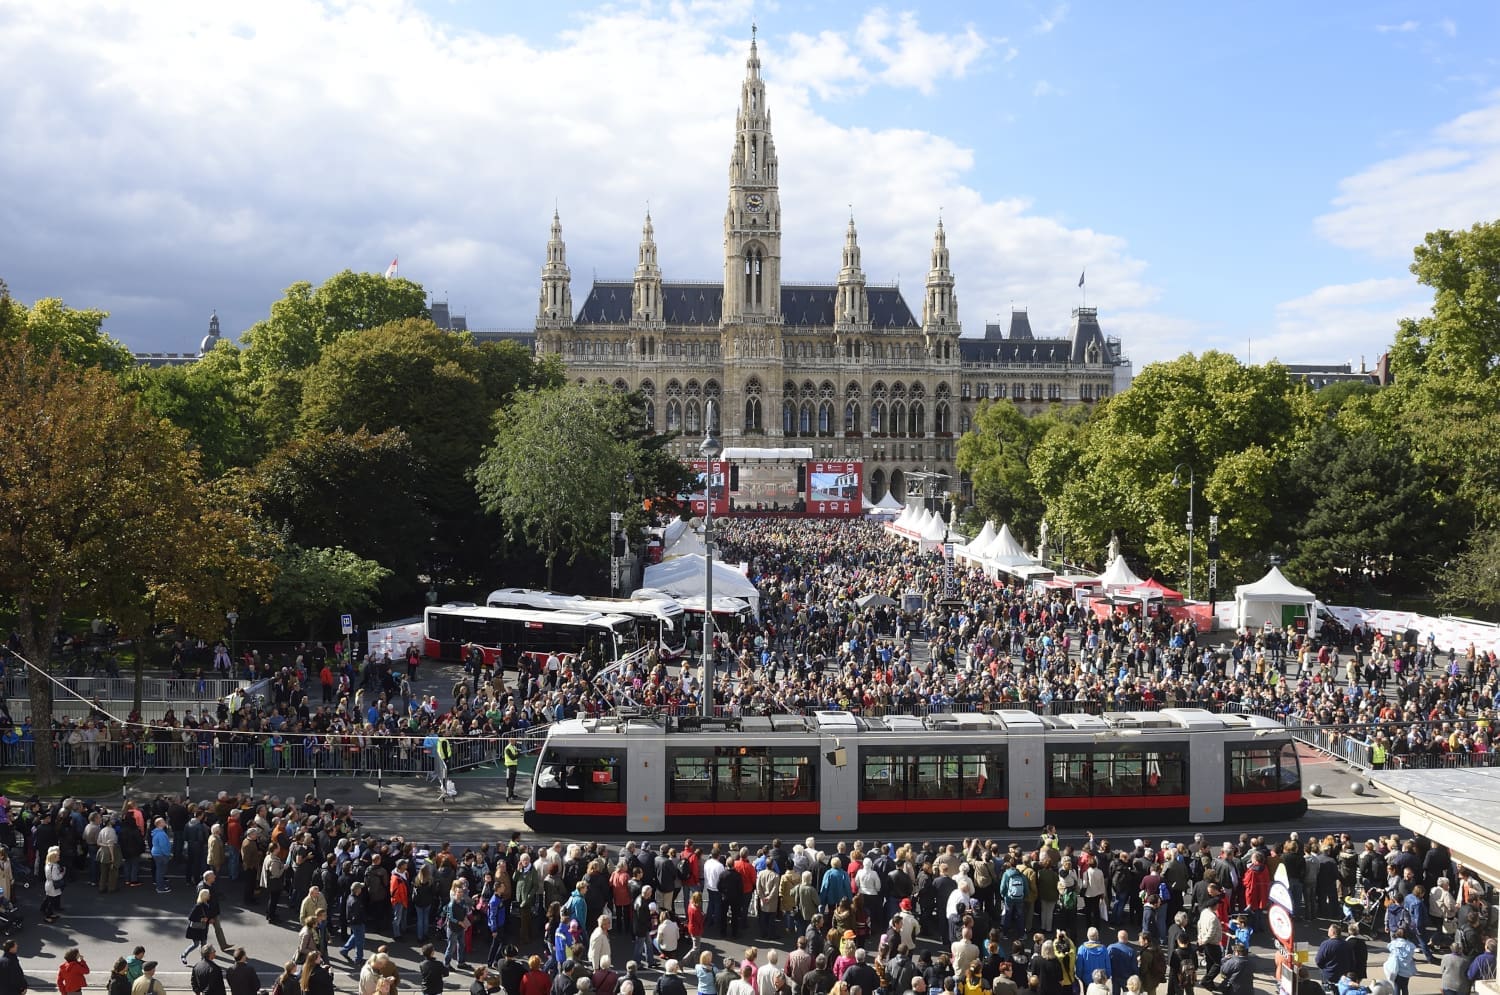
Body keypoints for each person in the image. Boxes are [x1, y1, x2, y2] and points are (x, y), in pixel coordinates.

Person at [183, 889, 214, 964]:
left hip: (203, 928)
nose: (210, 895)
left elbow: (208, 915)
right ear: (205, 896)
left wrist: (209, 919)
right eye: (208, 894)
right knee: (196, 944)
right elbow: (191, 917)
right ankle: (184, 955)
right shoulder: (198, 906)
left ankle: (203, 961)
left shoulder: (208, 904)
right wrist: (201, 919)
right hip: (196, 929)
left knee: (204, 945)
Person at [1384, 928, 1418, 995]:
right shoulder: (1410, 945)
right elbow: (1411, 955)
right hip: (1406, 971)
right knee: (1405, 987)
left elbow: (1390, 948)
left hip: (1397, 970)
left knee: (1397, 987)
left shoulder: (1393, 944)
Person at [42, 847, 65, 923]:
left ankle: (50, 914)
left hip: (48, 884)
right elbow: (55, 878)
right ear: (53, 858)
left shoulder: (48, 865)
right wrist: (62, 874)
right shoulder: (54, 867)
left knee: (50, 900)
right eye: (57, 856)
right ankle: (47, 916)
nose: (59, 857)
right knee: (51, 902)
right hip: (53, 886)